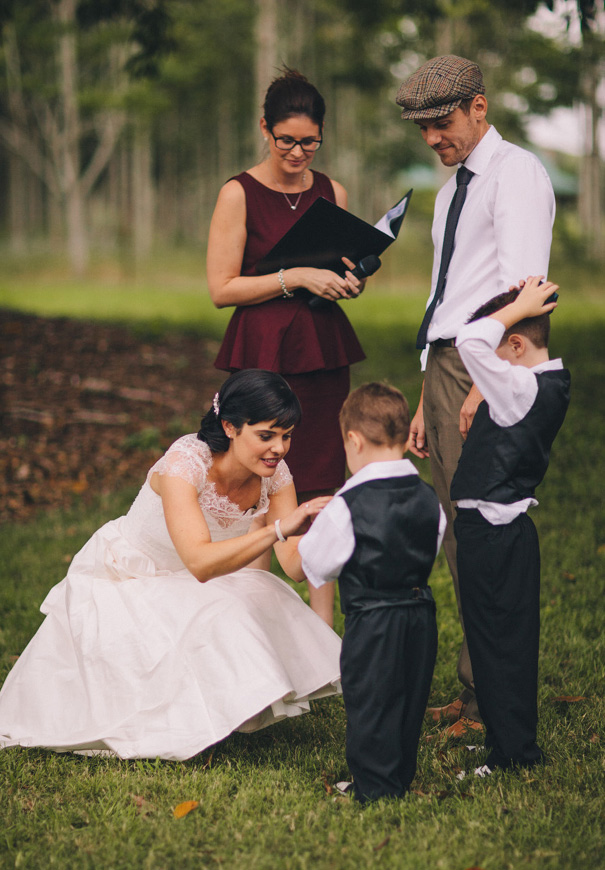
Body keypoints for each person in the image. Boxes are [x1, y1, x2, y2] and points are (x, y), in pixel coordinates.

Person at [0, 370, 342, 760]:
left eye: (287, 435)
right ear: (230, 427)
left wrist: (335, 534)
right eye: (267, 435)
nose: (279, 448)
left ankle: (222, 709)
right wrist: (277, 529)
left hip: (199, 581)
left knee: (265, 596)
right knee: (229, 604)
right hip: (131, 579)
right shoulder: (185, 462)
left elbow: (295, 567)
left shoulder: (275, 474)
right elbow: (198, 562)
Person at [395, 55, 555, 734]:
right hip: (449, 369)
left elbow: (524, 291)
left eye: (443, 121)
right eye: (422, 127)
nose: (433, 137)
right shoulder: (450, 190)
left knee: (483, 536)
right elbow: (450, 298)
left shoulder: (513, 174)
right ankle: (475, 689)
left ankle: (491, 703)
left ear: (479, 108)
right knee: (462, 540)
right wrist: (426, 392)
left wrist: (489, 388)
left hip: (484, 369)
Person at [207, 68, 366, 627]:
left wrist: (350, 280)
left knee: (321, 478)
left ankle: (321, 633)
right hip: (263, 352)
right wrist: (294, 275)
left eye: (310, 141)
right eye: (286, 140)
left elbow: (342, 267)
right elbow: (221, 289)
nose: (298, 152)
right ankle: (247, 619)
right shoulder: (239, 193)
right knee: (257, 476)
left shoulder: (332, 192)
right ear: (264, 130)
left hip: (322, 352)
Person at [299, 383, 446, 802]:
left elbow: (316, 563)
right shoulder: (427, 496)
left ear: (354, 440)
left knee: (370, 701)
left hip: (372, 618)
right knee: (410, 698)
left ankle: (373, 788)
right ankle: (398, 777)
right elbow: (431, 544)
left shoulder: (347, 503)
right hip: (420, 612)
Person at [451, 276, 570, 774]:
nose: (486, 372)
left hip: (492, 532)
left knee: (496, 643)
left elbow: (468, 340)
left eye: (500, 353)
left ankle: (513, 754)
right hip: (506, 531)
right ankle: (509, 740)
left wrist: (517, 305)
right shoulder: (546, 381)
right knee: (500, 640)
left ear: (517, 345)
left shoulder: (518, 384)